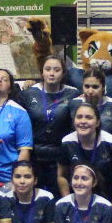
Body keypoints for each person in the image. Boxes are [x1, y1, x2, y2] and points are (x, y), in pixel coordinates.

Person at [19, 55, 80, 196]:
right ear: (42, 72)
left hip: (60, 156)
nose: (52, 73)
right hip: (34, 155)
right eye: (48, 69)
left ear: (63, 73)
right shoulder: (28, 93)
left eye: (57, 70)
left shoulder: (73, 93)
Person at [59, 102, 112, 200]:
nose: (83, 121)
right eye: (79, 117)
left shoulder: (111, 143)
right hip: (76, 197)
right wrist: (67, 201)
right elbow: (62, 176)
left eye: (88, 117)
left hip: (106, 198)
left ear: (98, 122)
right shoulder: (67, 142)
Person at [71, 68, 112, 141]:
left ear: (103, 87)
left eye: (95, 87)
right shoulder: (74, 104)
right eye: (87, 86)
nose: (90, 91)